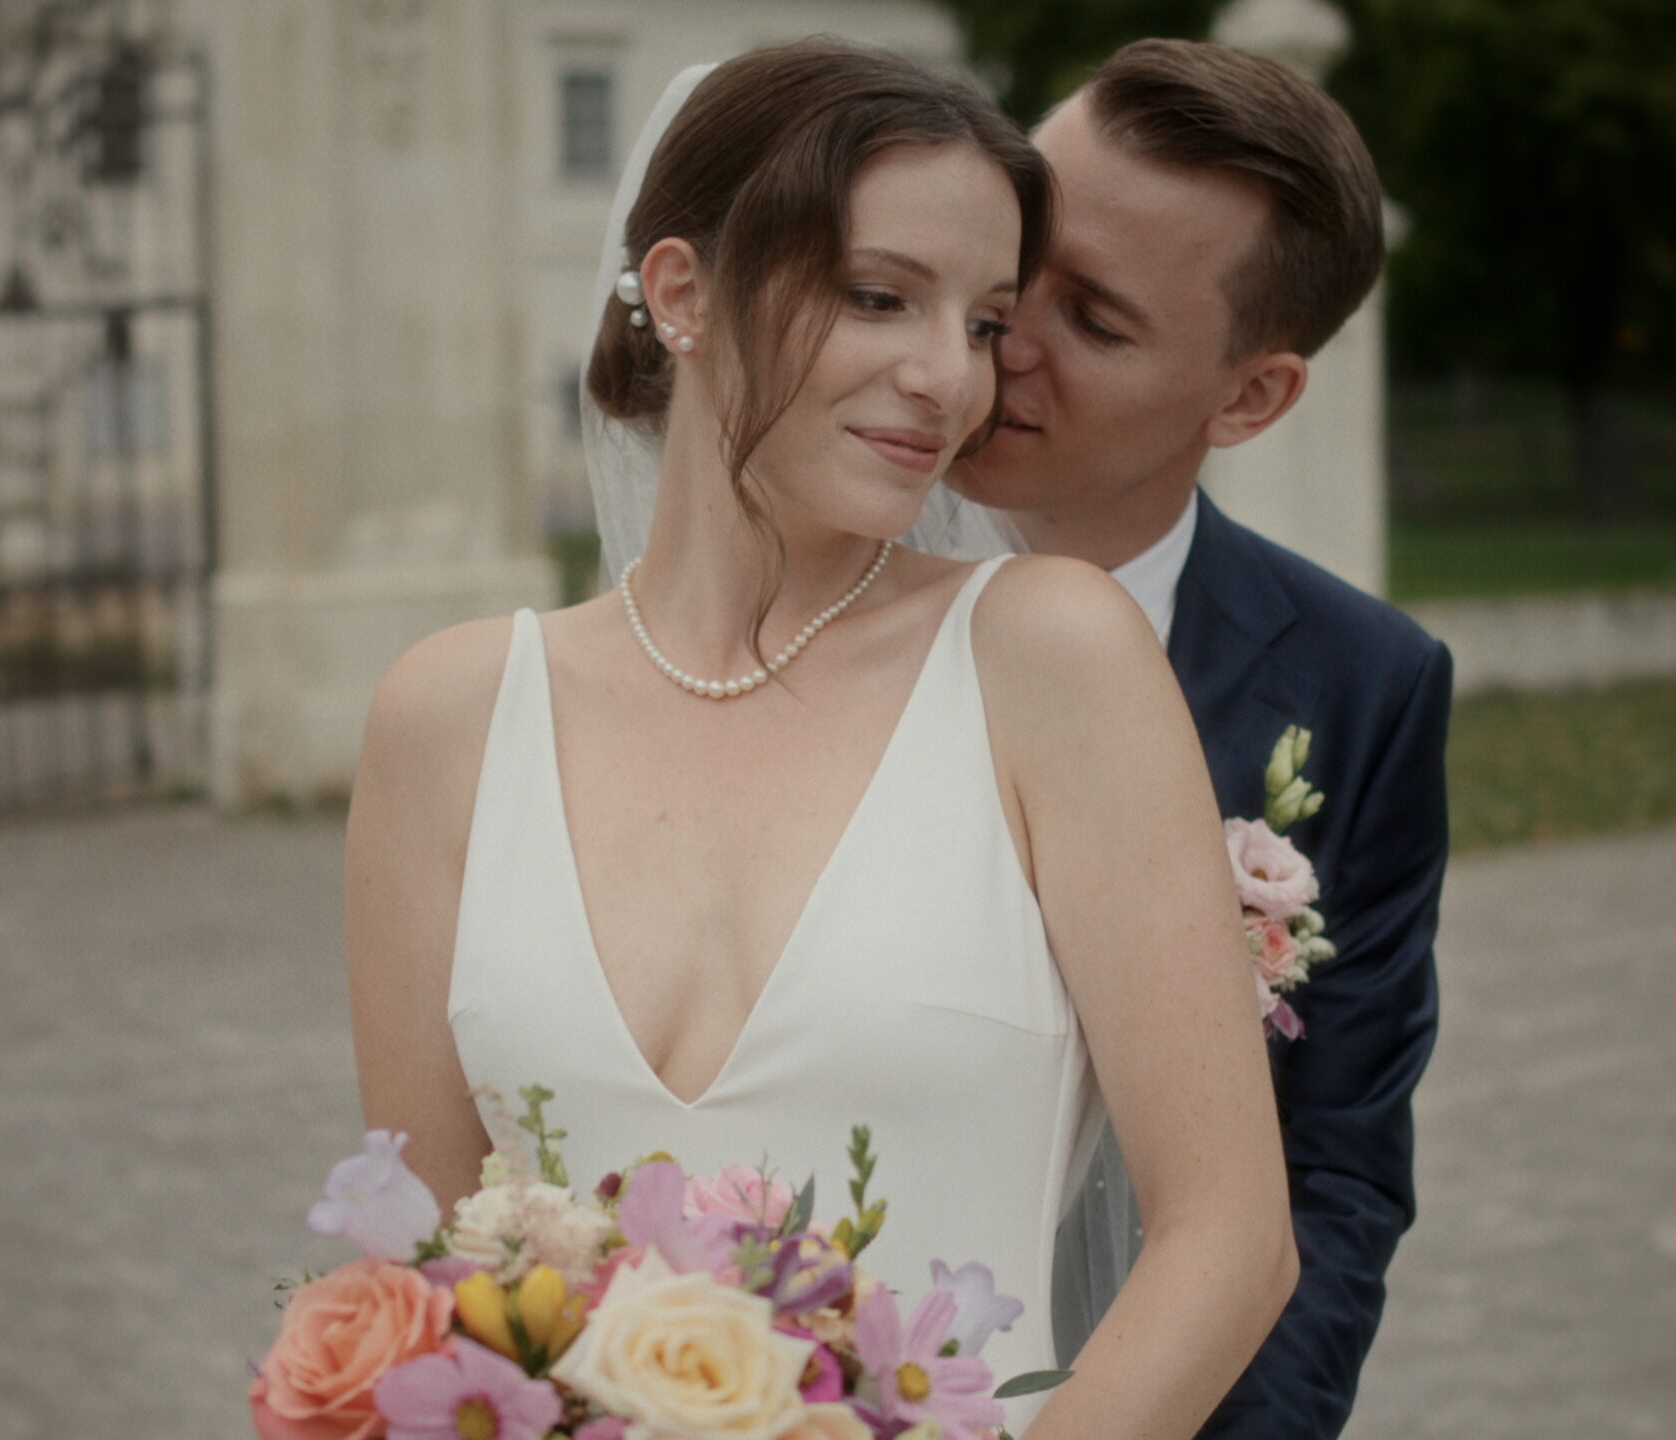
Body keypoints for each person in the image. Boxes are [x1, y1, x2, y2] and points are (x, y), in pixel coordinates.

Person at [341, 39, 1296, 1438]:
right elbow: (426, 1275)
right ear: (681, 293)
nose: (946, 379)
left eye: (981, 322)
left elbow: (1229, 1240)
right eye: (877, 297)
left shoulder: (1050, 659)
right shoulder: (449, 720)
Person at [945, 38, 1455, 1440]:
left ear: (1249, 399)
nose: (1001, 335)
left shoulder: (1365, 685)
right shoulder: (793, 594)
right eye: (1015, 257)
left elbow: (1337, 1168)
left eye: (1095, 324)